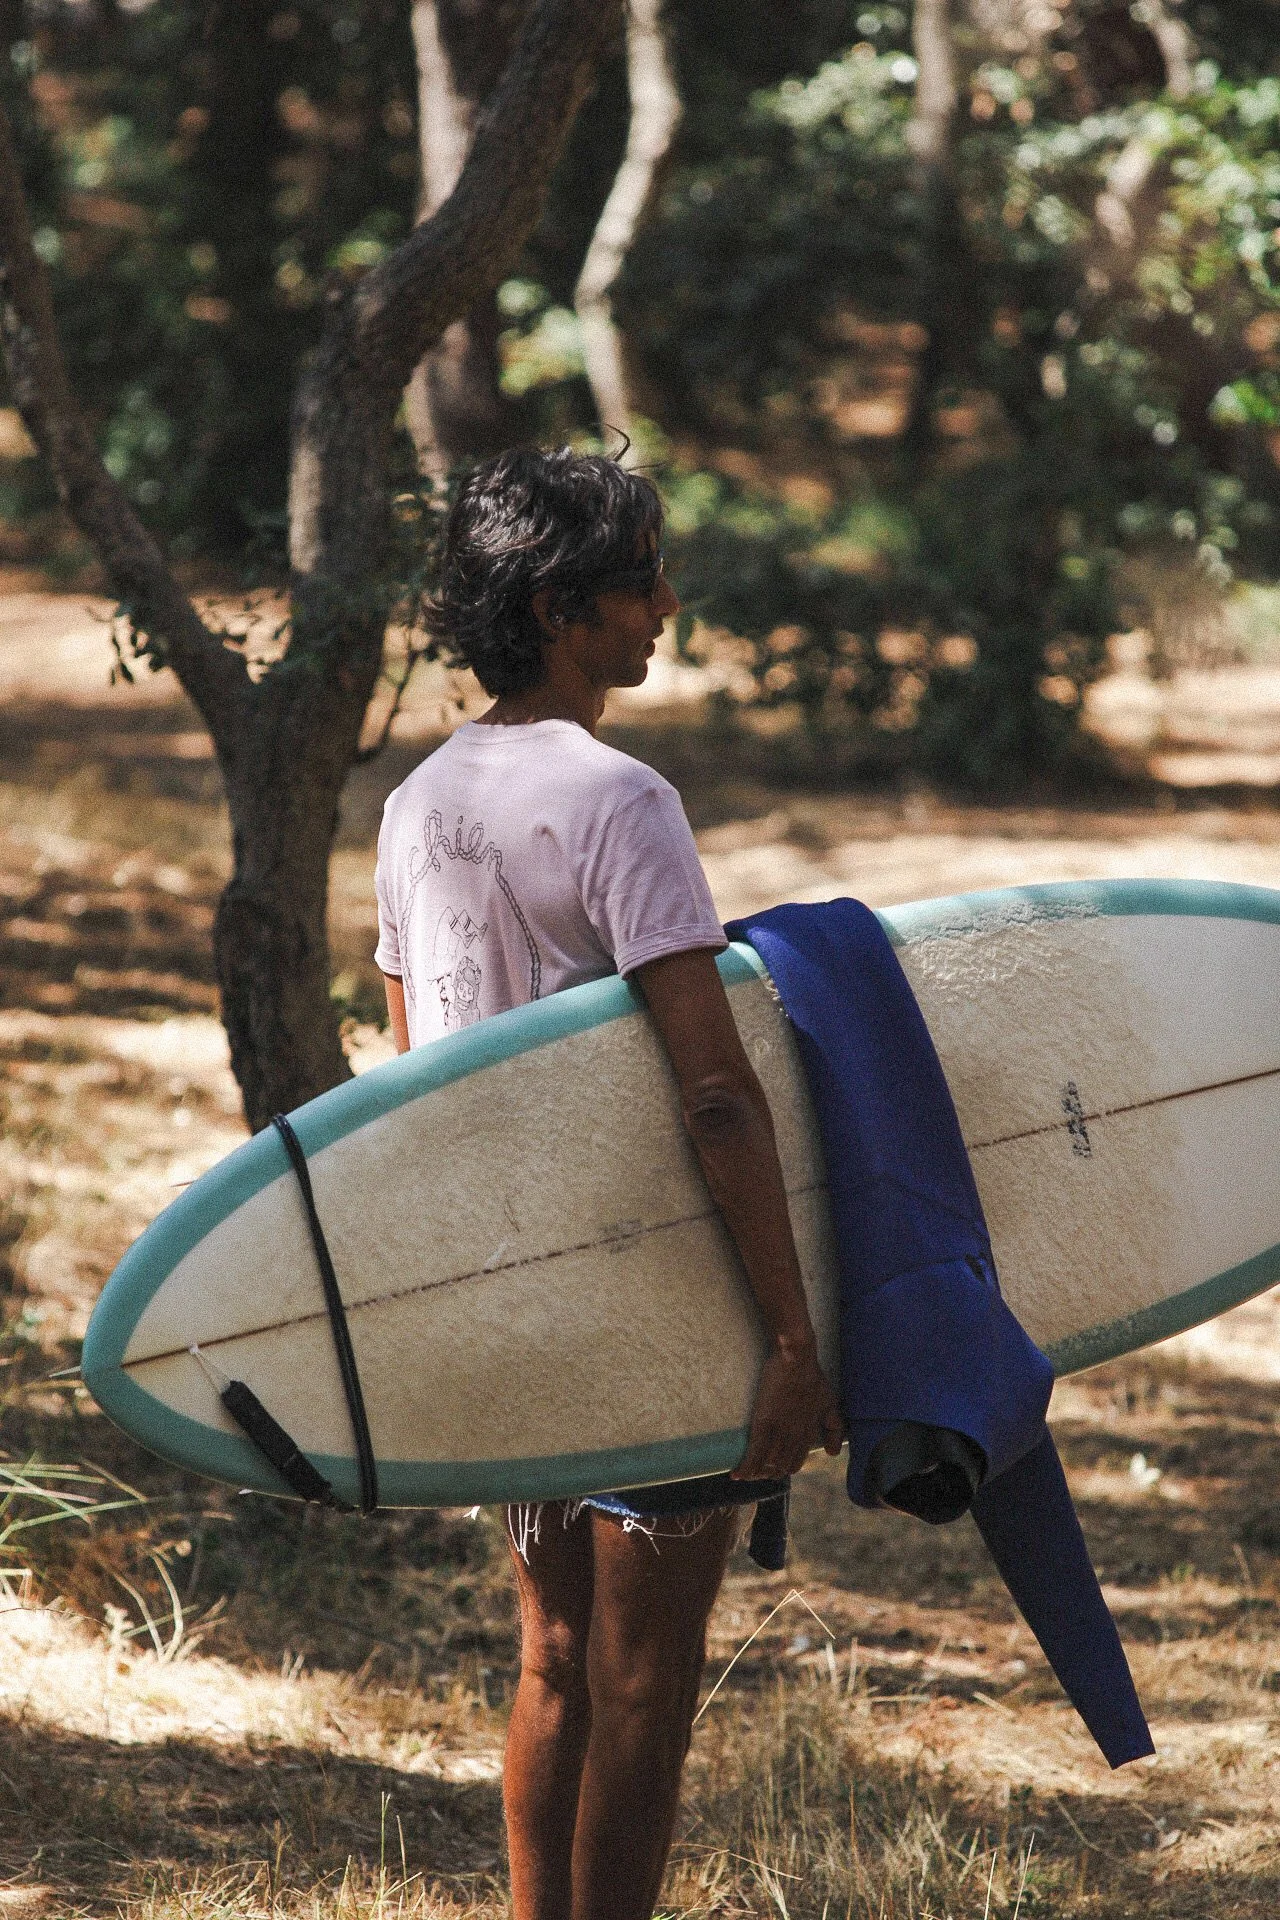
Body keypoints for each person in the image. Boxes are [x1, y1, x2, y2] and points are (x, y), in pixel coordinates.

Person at [374, 448, 842, 1920]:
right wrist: (786, 1332)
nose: (667, 605)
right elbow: (713, 1089)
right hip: (651, 1301)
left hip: (513, 1297)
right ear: (562, 605)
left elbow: (414, 1081)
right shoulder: (621, 799)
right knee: (647, 1679)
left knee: (556, 1661)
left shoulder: (415, 802)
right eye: (642, 579)